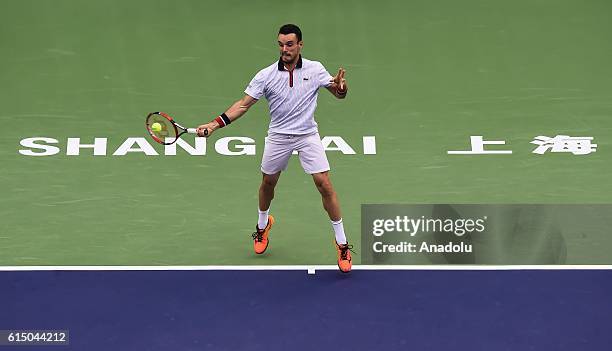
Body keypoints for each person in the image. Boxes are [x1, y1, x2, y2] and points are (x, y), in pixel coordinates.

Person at [196, 24, 353, 272]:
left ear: (300, 45)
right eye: (281, 44)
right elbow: (243, 104)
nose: (284, 49)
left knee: (324, 183)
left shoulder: (315, 69)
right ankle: (262, 226)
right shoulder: (266, 75)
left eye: (289, 44)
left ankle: (342, 243)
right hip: (278, 135)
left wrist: (342, 88)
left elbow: (338, 93)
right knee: (268, 182)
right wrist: (215, 125)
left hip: (307, 135)